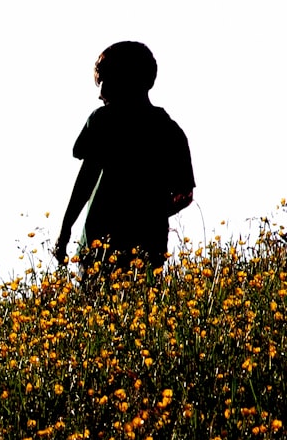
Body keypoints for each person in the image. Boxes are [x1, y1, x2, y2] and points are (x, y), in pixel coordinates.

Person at [53, 41, 195, 278]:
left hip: (96, 250)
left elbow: (85, 180)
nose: (100, 94)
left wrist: (65, 231)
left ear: (122, 82)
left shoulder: (103, 122)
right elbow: (185, 195)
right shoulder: (170, 131)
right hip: (149, 249)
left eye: (105, 83)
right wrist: (149, 214)